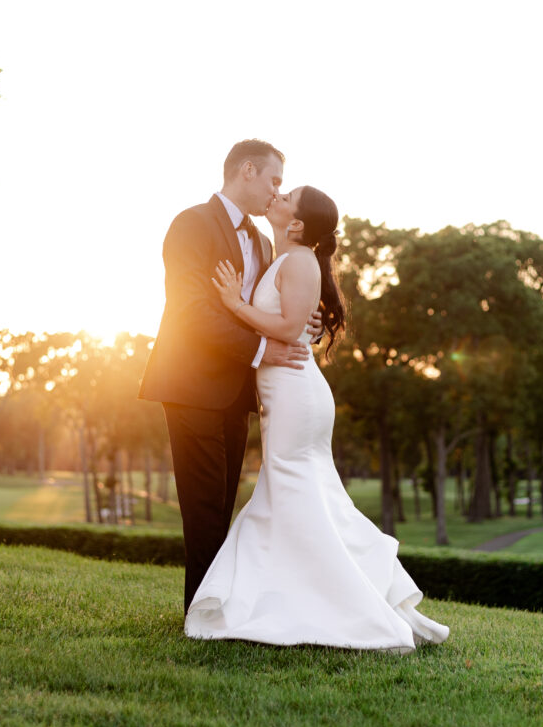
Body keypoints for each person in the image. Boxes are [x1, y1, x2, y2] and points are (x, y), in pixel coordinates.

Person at [184, 185, 450, 651]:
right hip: (283, 392)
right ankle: (305, 596)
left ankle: (340, 603)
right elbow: (293, 321)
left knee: (291, 489)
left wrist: (234, 304)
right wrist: (295, 321)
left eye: (287, 195)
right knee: (300, 493)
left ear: (299, 223)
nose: (277, 195)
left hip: (295, 394)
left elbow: (287, 329)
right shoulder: (281, 257)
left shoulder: (301, 259)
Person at [138, 140, 322, 613]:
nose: (276, 191)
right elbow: (193, 311)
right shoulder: (191, 224)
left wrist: (303, 323)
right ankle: (198, 614)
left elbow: (267, 309)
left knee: (222, 508)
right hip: (192, 385)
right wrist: (265, 349)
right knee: (201, 510)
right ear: (247, 171)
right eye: (274, 181)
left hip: (237, 391)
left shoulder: (264, 243)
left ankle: (216, 607)